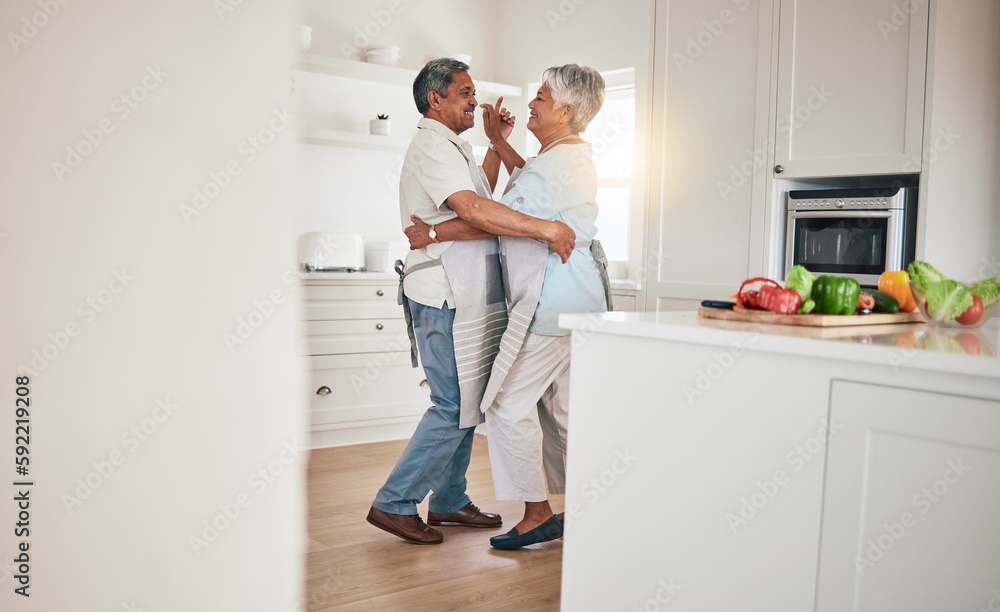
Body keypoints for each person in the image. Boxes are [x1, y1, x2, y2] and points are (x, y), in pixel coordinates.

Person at [366, 58, 577, 546]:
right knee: (452, 404)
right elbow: (478, 211)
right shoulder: (431, 146)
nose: (474, 100)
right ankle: (393, 502)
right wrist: (544, 228)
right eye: (464, 92)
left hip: (466, 293)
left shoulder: (451, 146)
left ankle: (448, 500)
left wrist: (494, 145)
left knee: (469, 403)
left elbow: (478, 197)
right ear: (434, 99)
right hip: (442, 293)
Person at [406, 64, 611, 549]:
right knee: (561, 412)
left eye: (541, 96)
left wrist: (433, 232)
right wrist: (499, 143)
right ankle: (593, 504)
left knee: (503, 404)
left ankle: (536, 514)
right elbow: (527, 190)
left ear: (565, 110)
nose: (532, 103)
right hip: (576, 300)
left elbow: (494, 216)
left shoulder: (554, 163)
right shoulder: (565, 156)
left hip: (551, 299)